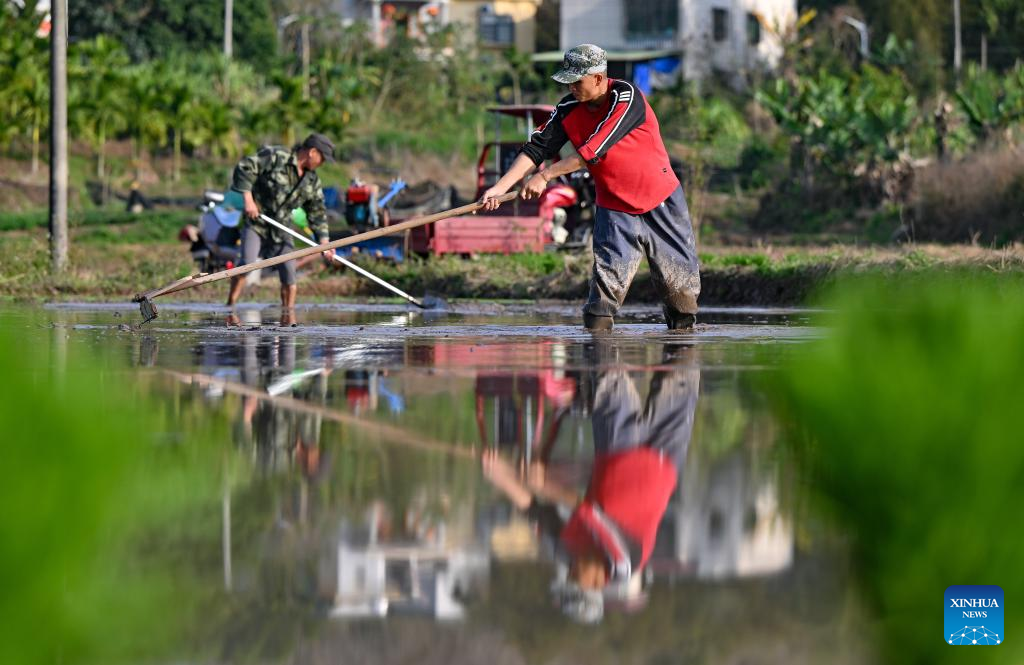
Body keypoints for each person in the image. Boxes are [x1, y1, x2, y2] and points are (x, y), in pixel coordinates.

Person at [480, 44, 700, 331]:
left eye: (577, 81)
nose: (571, 87)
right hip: (614, 207)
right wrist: (500, 187)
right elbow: (536, 149)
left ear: (598, 77)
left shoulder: (626, 97)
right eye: (568, 81)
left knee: (680, 301)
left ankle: (681, 349)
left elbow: (594, 149)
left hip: (661, 201)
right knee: (599, 308)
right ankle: (600, 365)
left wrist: (545, 177)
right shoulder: (568, 109)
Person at [481, 343, 700, 623]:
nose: (569, 571)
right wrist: (545, 483)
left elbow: (536, 512)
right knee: (683, 364)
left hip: (615, 450)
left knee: (606, 361)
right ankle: (681, 312)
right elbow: (593, 514)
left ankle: (603, 308)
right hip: (664, 458)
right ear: (597, 584)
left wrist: (501, 476)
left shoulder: (567, 553)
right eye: (574, 578)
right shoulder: (625, 562)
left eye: (568, 575)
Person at [226, 133, 337, 324]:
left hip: (282, 227)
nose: (323, 163)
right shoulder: (277, 157)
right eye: (323, 159)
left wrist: (324, 242)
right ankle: (230, 308)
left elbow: (317, 211)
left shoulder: (312, 181)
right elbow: (245, 167)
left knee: (288, 270)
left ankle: (288, 317)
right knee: (247, 262)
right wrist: (248, 200)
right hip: (257, 222)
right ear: (312, 152)